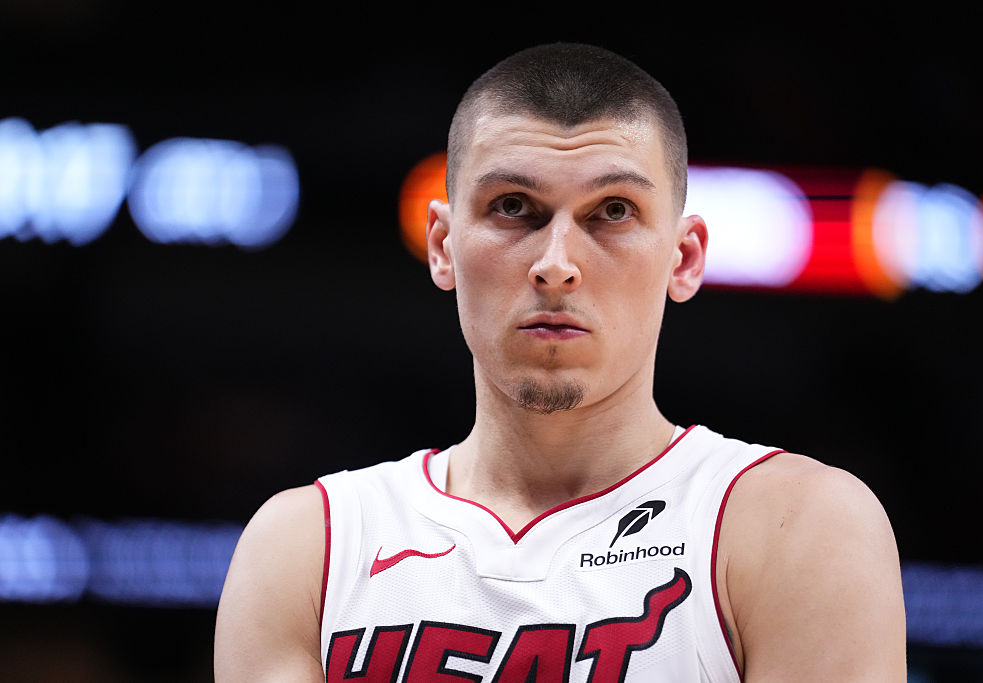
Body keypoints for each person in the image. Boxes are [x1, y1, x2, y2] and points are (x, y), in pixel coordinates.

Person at [214, 43, 906, 681]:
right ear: (444, 245)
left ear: (685, 256)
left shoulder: (797, 529)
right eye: (515, 207)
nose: (556, 265)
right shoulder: (309, 549)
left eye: (612, 211)